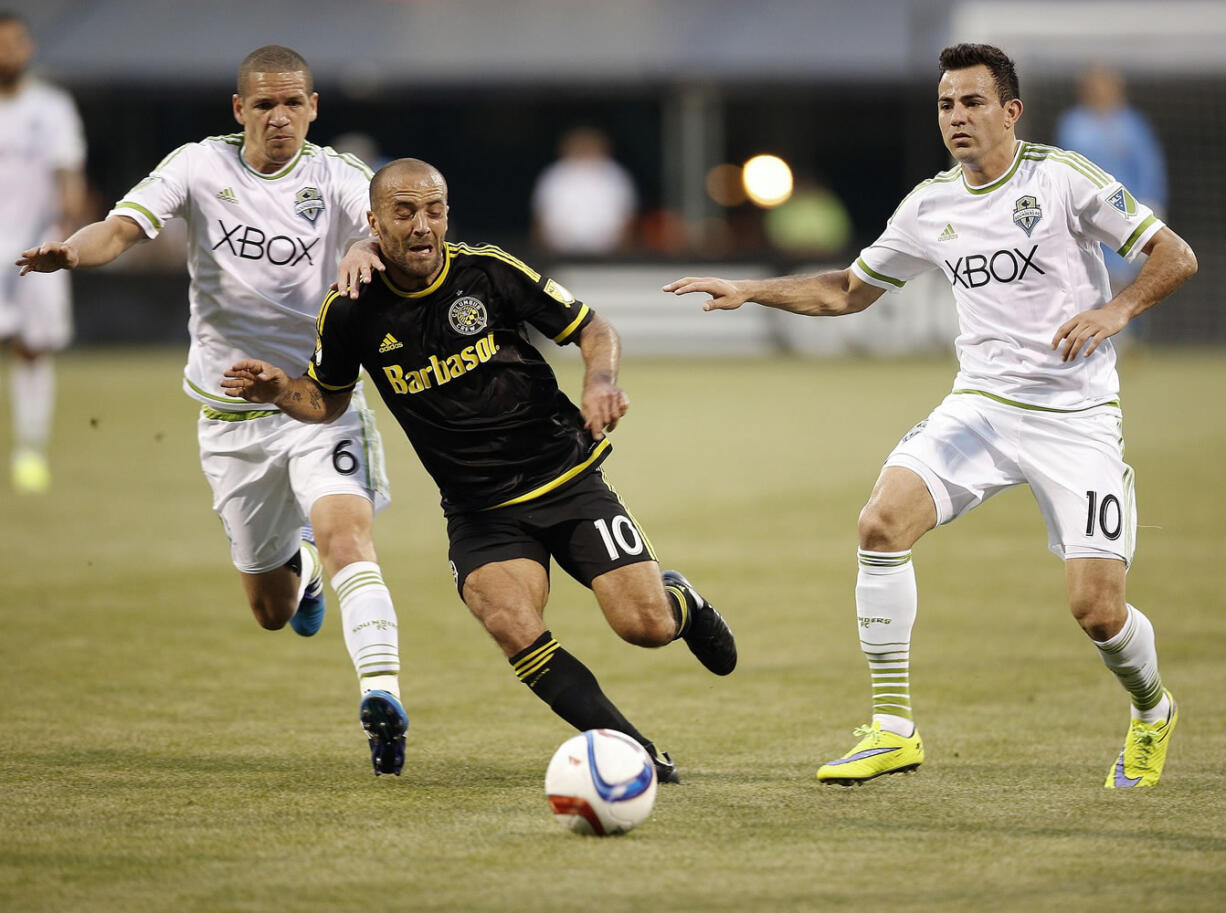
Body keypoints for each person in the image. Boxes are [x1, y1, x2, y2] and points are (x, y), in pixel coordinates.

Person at [666, 43, 1197, 788]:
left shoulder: (1063, 179)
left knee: (1096, 610)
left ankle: (1151, 709)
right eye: (946, 104)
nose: (957, 117)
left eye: (973, 103)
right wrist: (752, 290)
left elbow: (1175, 255)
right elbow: (850, 289)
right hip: (979, 406)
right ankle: (892, 728)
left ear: (1010, 111)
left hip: (1074, 415)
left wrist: (1116, 309)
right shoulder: (930, 204)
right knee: (880, 523)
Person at [221, 158, 736, 783]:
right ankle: (631, 749)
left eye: (433, 210)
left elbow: (593, 328)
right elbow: (326, 397)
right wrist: (279, 389)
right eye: (404, 212)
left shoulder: (489, 273)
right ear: (374, 221)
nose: (421, 226)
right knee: (511, 623)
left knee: (645, 627)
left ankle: (681, 599)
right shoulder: (351, 310)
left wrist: (600, 381)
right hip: (479, 511)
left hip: (566, 480)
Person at [16, 45, 408, 776]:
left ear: (314, 107)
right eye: (265, 105)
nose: (280, 117)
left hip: (317, 398)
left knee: (348, 537)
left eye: (294, 103)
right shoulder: (196, 165)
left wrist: (363, 247)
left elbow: (377, 224)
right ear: (240, 110)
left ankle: (381, 699)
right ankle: (303, 573)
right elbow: (123, 228)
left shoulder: (337, 175)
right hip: (231, 416)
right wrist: (70, 254)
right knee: (271, 609)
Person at [0, 10, 87, 494]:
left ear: (28, 47)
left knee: (33, 350)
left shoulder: (51, 107)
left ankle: (29, 450)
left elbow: (68, 175)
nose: (8, 52)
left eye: (15, 42)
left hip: (36, 247)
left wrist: (67, 229)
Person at [1056, 66, 1167, 292]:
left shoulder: (1133, 125)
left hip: (1126, 211)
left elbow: (1149, 167)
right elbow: (1062, 167)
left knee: (1132, 284)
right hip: (1086, 211)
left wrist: (1152, 204)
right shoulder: (1072, 124)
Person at [531, 126, 638, 257]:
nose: (584, 150)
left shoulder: (616, 176)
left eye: (588, 145)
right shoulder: (554, 176)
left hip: (608, 255)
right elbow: (540, 217)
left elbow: (627, 218)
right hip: (560, 255)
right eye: (579, 145)